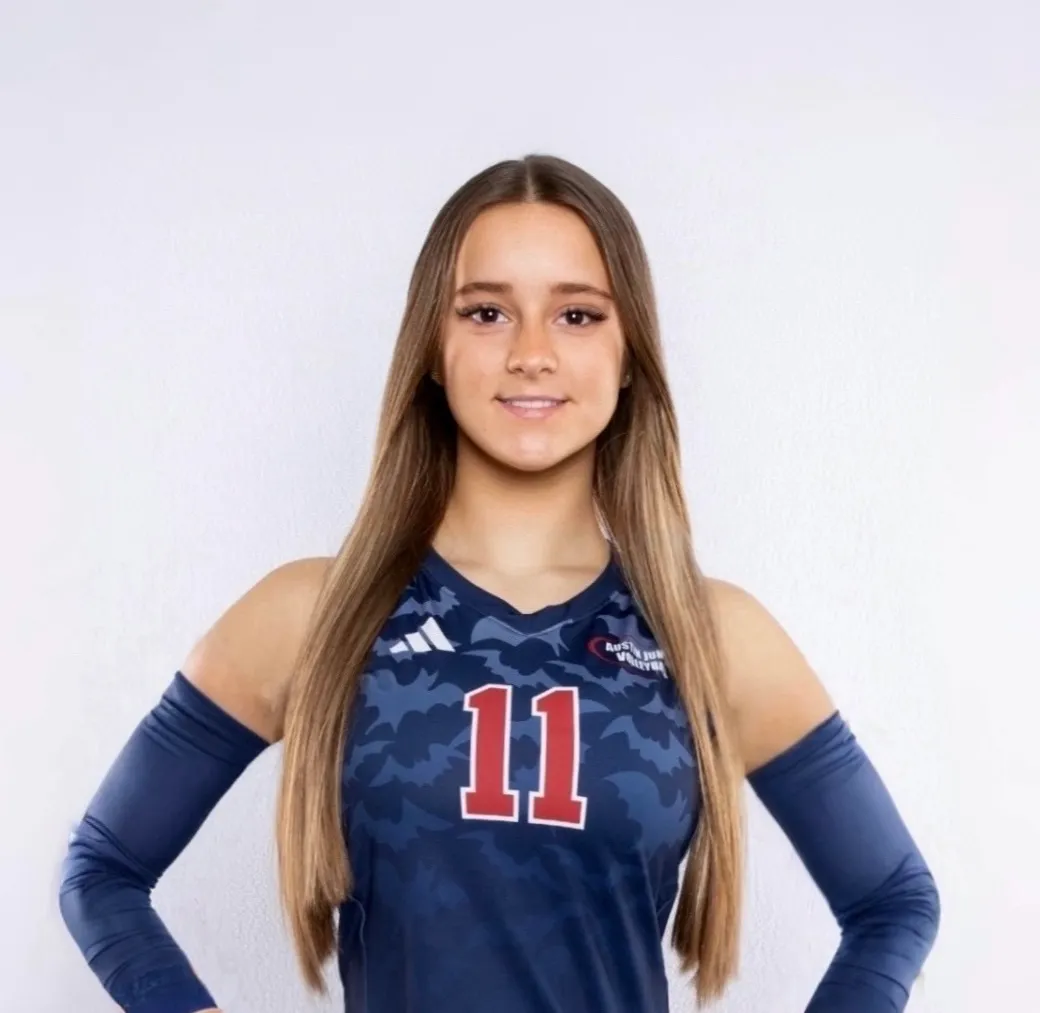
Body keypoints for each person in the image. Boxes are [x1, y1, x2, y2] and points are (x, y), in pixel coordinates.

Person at [58, 153, 940, 1013]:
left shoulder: (710, 635)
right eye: (486, 312)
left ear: (630, 353)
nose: (531, 353)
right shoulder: (312, 616)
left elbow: (894, 900)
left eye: (578, 315)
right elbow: (102, 870)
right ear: (432, 349)